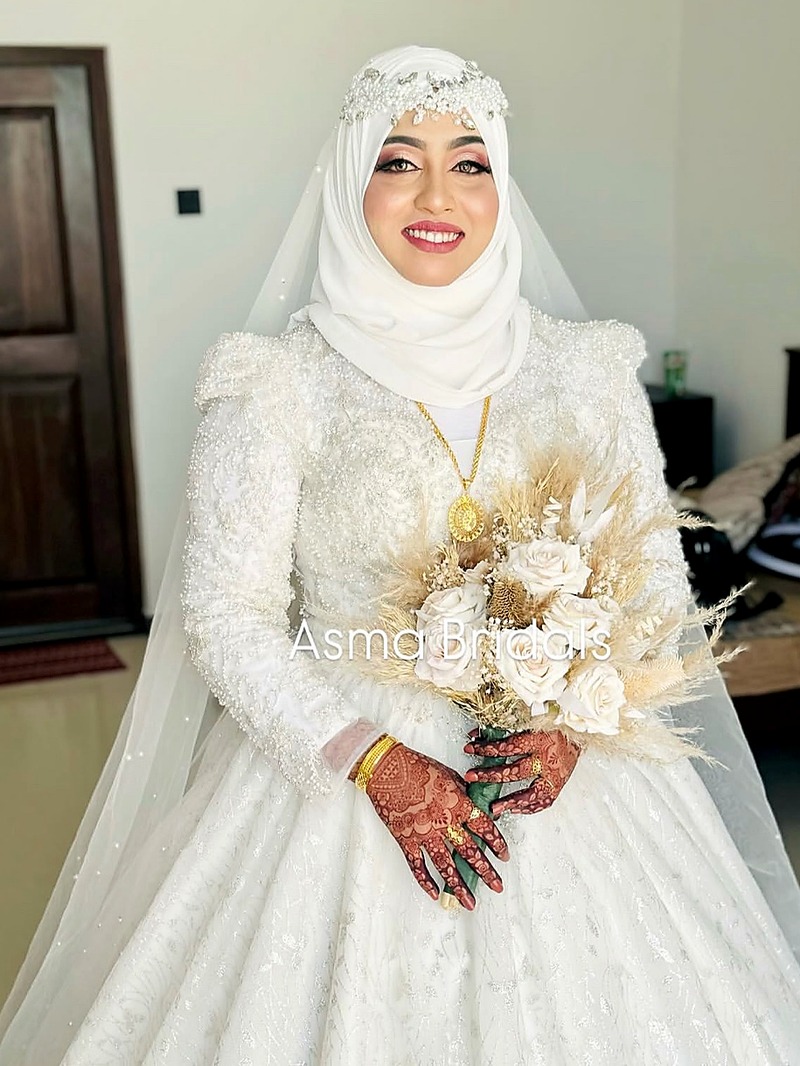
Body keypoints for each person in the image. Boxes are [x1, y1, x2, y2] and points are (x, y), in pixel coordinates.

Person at [2, 44, 800, 1065]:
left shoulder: (585, 369)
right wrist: (376, 766)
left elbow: (647, 580)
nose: (437, 193)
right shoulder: (275, 384)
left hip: (559, 773)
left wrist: (573, 727)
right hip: (345, 765)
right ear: (348, 182)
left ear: (499, 185)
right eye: (396, 160)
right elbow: (224, 615)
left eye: (469, 162)